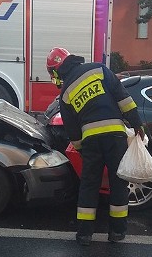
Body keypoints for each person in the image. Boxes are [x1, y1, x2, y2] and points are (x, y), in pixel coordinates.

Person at [46, 47, 144, 246]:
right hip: (115, 136)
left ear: (58, 70)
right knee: (119, 182)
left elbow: (72, 128)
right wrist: (137, 123)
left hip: (91, 140)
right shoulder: (99, 70)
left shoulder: (66, 92)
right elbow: (123, 99)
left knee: (89, 185)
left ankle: (84, 235)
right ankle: (117, 232)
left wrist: (81, 149)